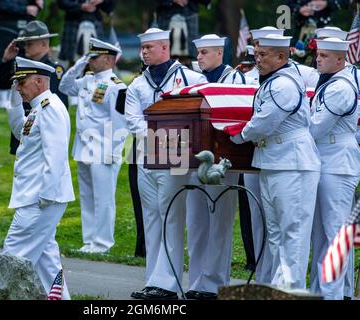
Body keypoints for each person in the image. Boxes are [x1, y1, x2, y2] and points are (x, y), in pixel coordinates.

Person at [230, 34, 321, 289]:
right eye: (256, 54)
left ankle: (289, 291)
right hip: (273, 161)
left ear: (281, 56)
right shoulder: (273, 81)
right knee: (276, 233)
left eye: (263, 55)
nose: (257, 60)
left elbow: (263, 123)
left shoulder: (284, 85)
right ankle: (277, 289)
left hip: (293, 164)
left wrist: (237, 136)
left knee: (293, 232)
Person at [125, 28, 207, 300]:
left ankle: (168, 283)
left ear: (164, 48)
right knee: (151, 219)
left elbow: (199, 114)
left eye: (149, 47)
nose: (144, 52)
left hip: (176, 159)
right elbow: (132, 121)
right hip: (146, 158)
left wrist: (169, 140)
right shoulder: (137, 83)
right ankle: (153, 280)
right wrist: (158, 137)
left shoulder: (190, 78)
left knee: (171, 217)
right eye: (142, 48)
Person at [2, 57, 75, 297]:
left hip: (40, 198)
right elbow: (20, 131)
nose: (19, 87)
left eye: (21, 82)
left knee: (13, 255)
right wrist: (14, 98)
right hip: (38, 196)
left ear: (39, 81)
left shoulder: (50, 108)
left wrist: (45, 196)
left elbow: (55, 156)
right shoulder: (38, 107)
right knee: (47, 261)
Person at [185, 34, 246, 300]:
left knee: (219, 222)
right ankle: (196, 280)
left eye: (205, 53)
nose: (199, 58)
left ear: (220, 54)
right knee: (196, 223)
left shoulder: (235, 79)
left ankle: (214, 284)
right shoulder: (192, 79)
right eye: (198, 53)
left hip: (224, 161)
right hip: (195, 158)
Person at [59, 38, 127, 254]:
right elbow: (64, 86)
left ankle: (103, 242)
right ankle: (89, 240)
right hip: (84, 148)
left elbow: (120, 123)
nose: (91, 60)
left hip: (103, 150)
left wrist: (113, 152)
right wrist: (79, 65)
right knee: (88, 197)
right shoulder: (86, 81)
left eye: (94, 57)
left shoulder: (117, 86)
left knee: (104, 199)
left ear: (108, 59)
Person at [308, 37, 359, 300]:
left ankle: (334, 295)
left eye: (325, 56)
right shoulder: (328, 84)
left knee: (334, 233)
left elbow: (316, 126)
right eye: (318, 54)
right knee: (320, 234)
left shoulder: (341, 88)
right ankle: (321, 291)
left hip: (337, 163)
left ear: (340, 60)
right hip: (323, 160)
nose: (318, 59)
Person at [0, 20, 68, 155]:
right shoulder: (23, 66)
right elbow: (3, 85)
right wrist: (6, 61)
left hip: (43, 127)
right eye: (25, 43)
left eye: (30, 43)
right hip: (23, 124)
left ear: (43, 43)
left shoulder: (53, 69)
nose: (25, 47)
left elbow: (60, 105)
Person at [246, 26, 319, 88]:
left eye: (259, 44)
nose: (255, 49)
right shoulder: (248, 75)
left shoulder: (306, 73)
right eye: (254, 44)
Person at [0, 0, 41, 72]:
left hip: (25, 30)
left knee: (24, 69)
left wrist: (37, 3)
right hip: (4, 29)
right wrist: (24, 9)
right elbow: (0, 4)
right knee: (1, 67)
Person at [57, 0, 117, 66]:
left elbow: (111, 5)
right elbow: (62, 2)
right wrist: (80, 6)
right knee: (73, 60)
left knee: (97, 58)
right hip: (73, 20)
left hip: (95, 19)